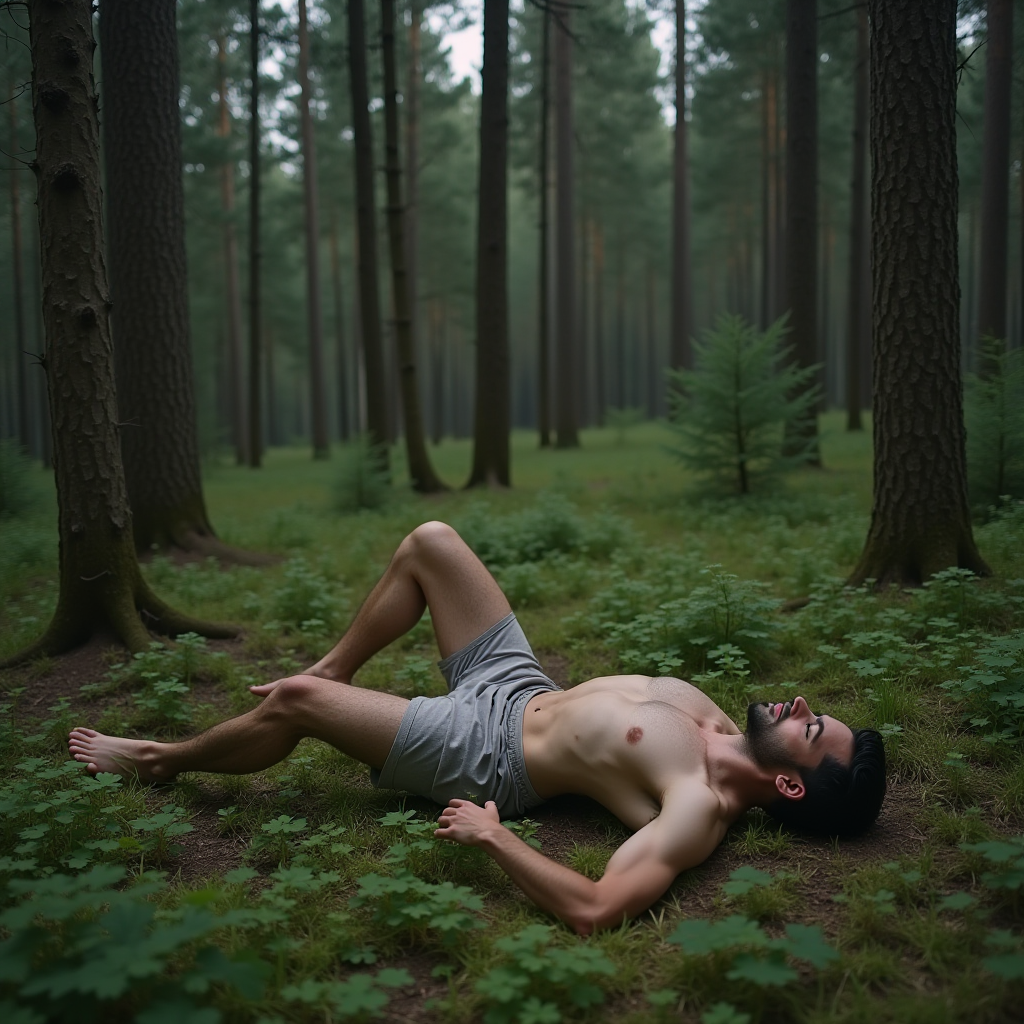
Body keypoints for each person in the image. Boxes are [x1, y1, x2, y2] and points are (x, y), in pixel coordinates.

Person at [68, 521, 886, 935]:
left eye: (814, 733)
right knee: (431, 543)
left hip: (488, 754)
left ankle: (159, 760)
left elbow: (598, 909)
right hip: (519, 683)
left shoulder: (697, 807)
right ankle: (335, 668)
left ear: (788, 783)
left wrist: (496, 839)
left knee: (292, 705)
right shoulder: (713, 716)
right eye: (819, 713)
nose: (804, 708)